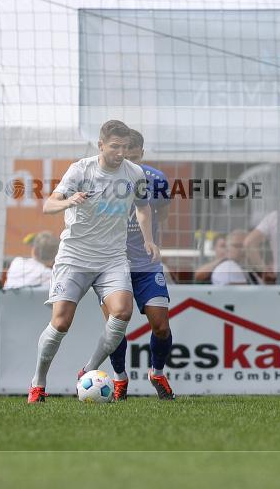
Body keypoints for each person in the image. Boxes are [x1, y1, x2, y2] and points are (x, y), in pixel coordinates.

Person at [27, 120, 159, 403]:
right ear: (100, 145)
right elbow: (49, 204)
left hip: (112, 258)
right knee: (61, 323)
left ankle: (88, 371)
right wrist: (69, 201)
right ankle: (38, 381)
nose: (120, 153)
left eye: (125, 147)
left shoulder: (134, 173)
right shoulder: (80, 170)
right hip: (75, 257)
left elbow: (143, 208)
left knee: (122, 313)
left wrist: (148, 239)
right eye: (114, 147)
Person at [103, 129, 175, 400]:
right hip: (111, 263)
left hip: (145, 263)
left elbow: (163, 214)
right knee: (116, 325)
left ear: (141, 154)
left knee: (161, 326)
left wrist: (153, 242)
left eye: (133, 157)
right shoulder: (103, 178)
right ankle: (119, 378)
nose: (127, 162)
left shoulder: (156, 180)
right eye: (122, 156)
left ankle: (157, 372)